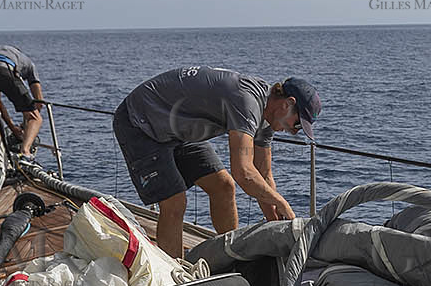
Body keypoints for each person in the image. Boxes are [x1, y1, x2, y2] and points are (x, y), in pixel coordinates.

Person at [113, 67, 322, 258]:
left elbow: (264, 175)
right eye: (296, 124)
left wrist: (278, 228)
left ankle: (232, 257)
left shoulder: (267, 120)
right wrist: (282, 203)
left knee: (223, 186)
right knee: (175, 202)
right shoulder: (248, 102)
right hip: (141, 121)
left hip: (178, 129)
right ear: (287, 103)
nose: (293, 131)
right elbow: (244, 172)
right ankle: (174, 277)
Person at [0, 45, 43, 155]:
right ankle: (25, 151)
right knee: (36, 119)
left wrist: (13, 128)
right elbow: (39, 102)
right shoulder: (28, 63)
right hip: (4, 68)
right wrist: (27, 126)